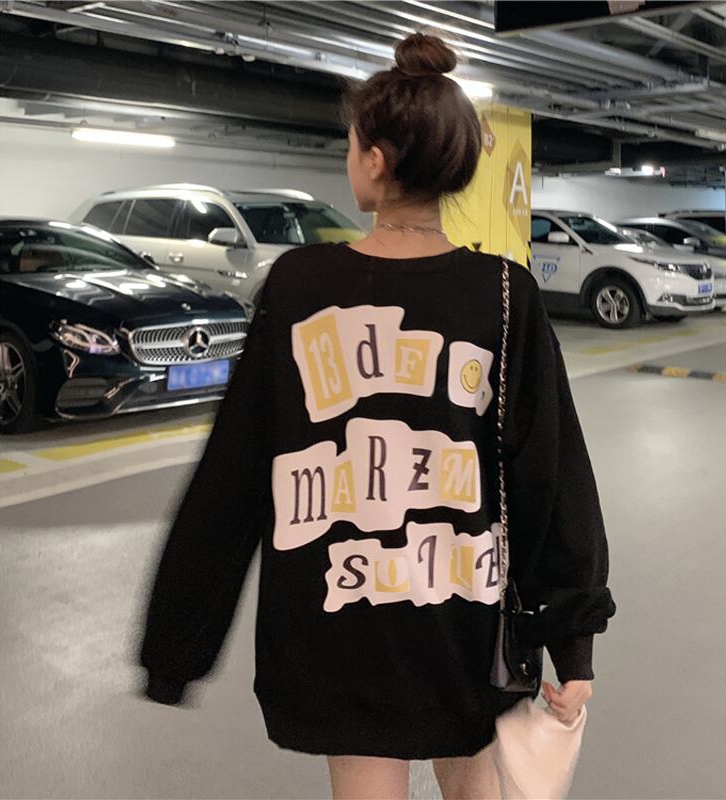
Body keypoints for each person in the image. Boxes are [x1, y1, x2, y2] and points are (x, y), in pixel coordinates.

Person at [137, 31, 615, 800]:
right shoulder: (503, 294)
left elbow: (232, 476)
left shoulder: (298, 286)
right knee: (476, 781)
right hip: (464, 621)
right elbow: (548, 476)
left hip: (338, 624)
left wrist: (176, 647)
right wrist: (571, 639)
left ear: (375, 160)